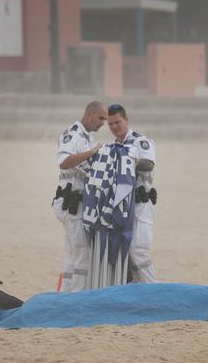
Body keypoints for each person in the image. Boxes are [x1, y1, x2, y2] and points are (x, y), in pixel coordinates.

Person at [52, 101, 107, 292]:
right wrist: (91, 152)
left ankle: (64, 297)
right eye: (101, 118)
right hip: (72, 201)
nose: (103, 123)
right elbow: (64, 162)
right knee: (82, 254)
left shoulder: (87, 138)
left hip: (81, 202)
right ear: (90, 114)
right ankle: (77, 298)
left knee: (72, 255)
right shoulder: (73, 135)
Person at [107, 104, 159, 283]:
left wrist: (125, 163)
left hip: (139, 205)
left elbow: (148, 163)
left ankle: (155, 293)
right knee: (123, 253)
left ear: (126, 120)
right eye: (111, 124)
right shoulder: (112, 147)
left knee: (139, 252)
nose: (114, 127)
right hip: (120, 207)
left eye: (117, 122)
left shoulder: (140, 141)